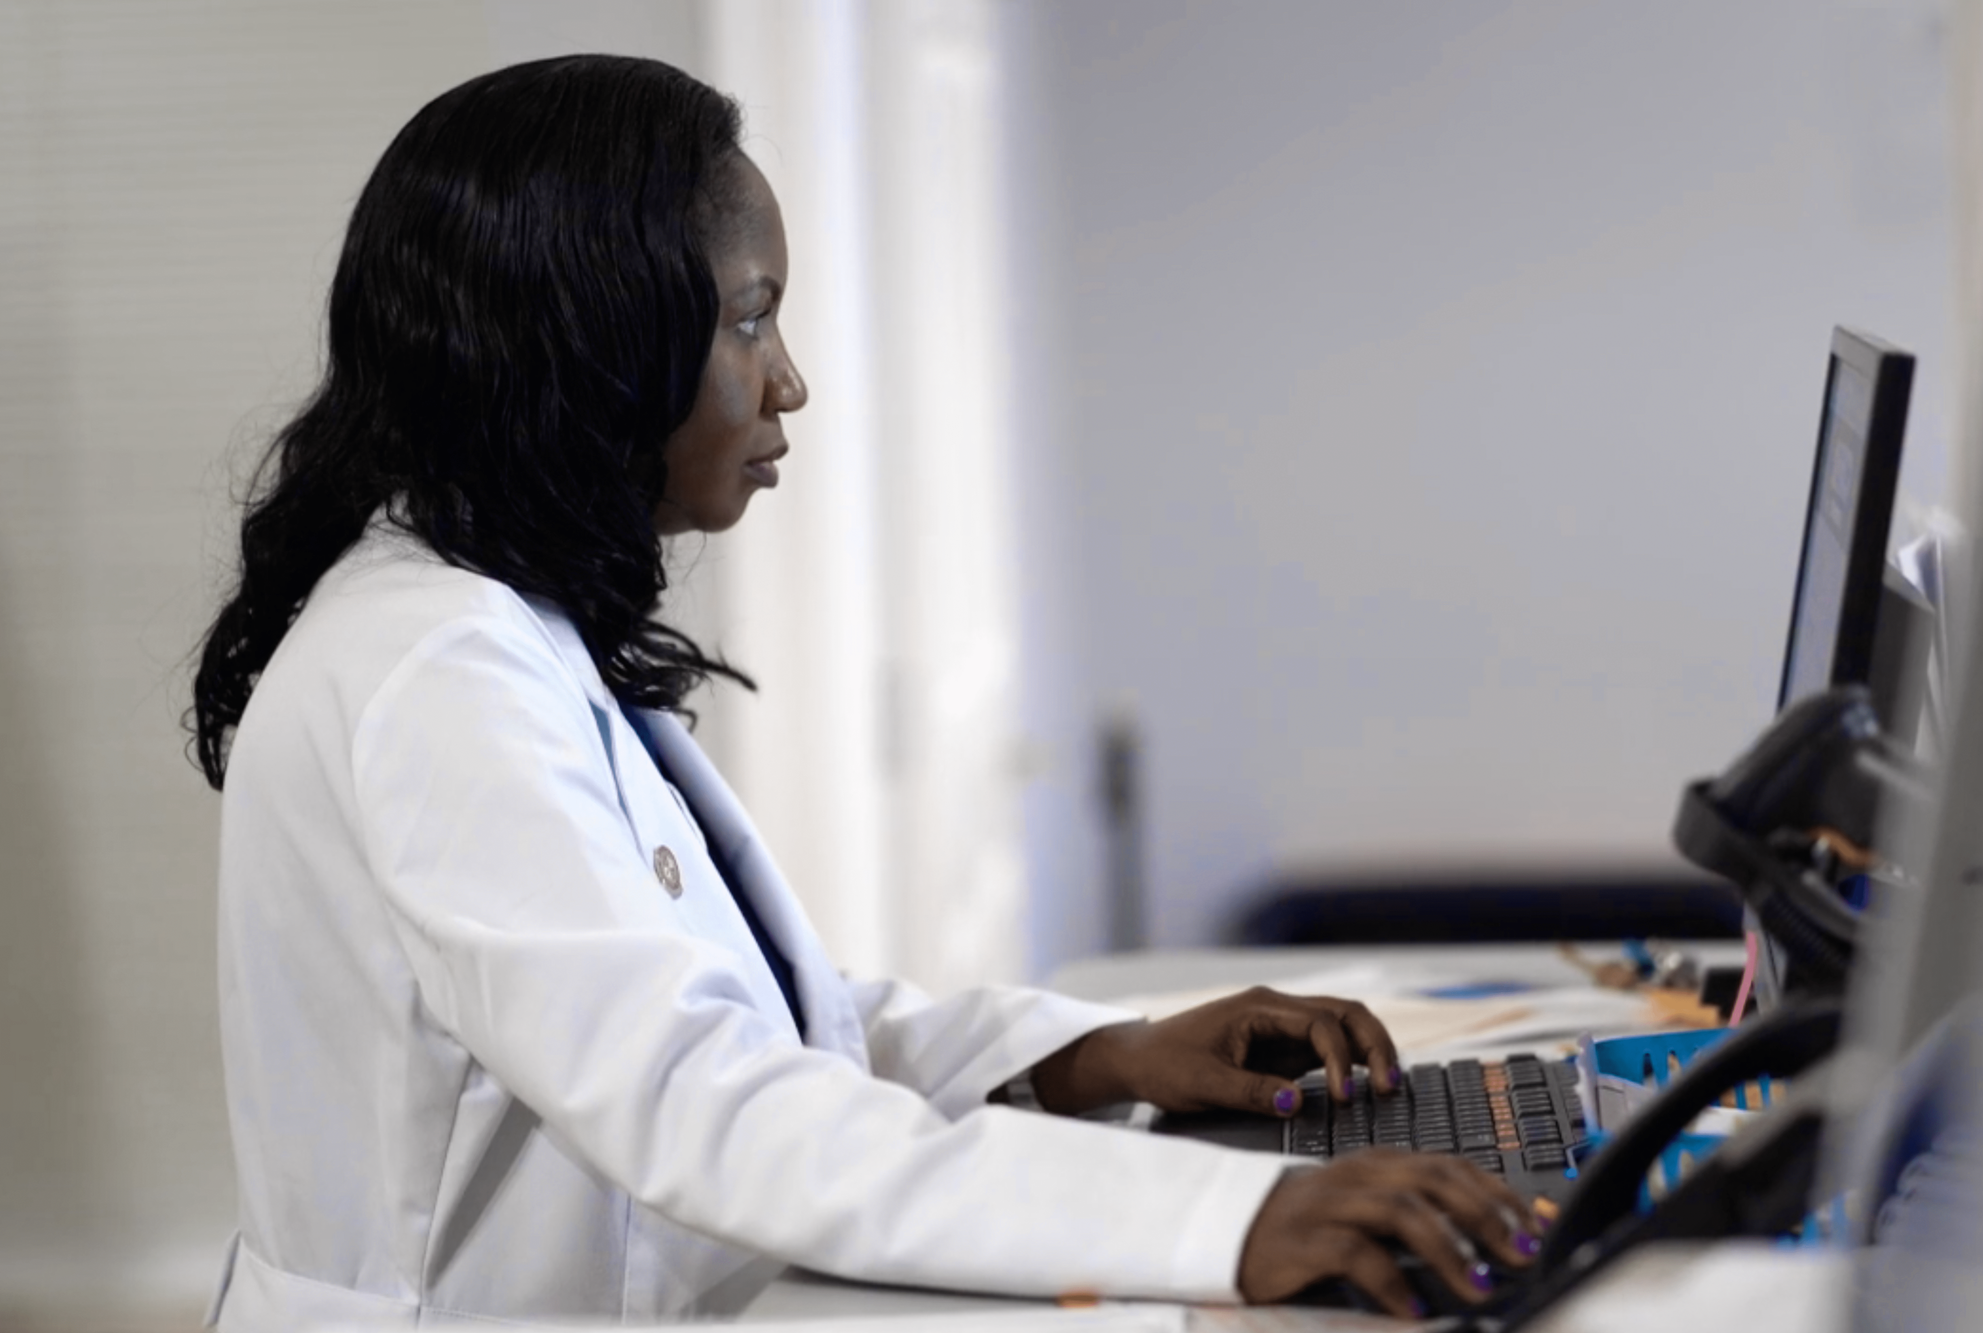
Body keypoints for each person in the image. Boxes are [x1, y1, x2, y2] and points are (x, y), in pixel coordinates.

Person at [187, 55, 1539, 1328]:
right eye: (750, 318)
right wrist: (1231, 1217)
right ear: (595, 342)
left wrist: (1098, 1058)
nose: (790, 380)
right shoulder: (441, 666)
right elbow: (699, 1100)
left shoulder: (494, 621)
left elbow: (763, 1022)